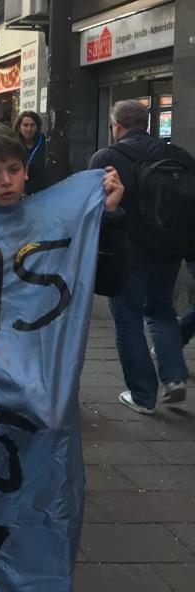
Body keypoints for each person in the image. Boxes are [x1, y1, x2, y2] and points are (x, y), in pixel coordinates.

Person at [89, 99, 194, 414]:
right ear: (146, 124)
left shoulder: (106, 157)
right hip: (168, 250)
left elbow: (91, 203)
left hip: (126, 253)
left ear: (116, 127)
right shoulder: (178, 156)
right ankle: (175, 378)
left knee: (128, 321)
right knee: (161, 311)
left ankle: (143, 395)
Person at [14, 111, 46, 194]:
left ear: (37, 126)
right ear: (19, 127)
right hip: (21, 190)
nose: (29, 129)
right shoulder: (13, 143)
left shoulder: (44, 141)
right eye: (25, 125)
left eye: (32, 125)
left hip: (42, 188)